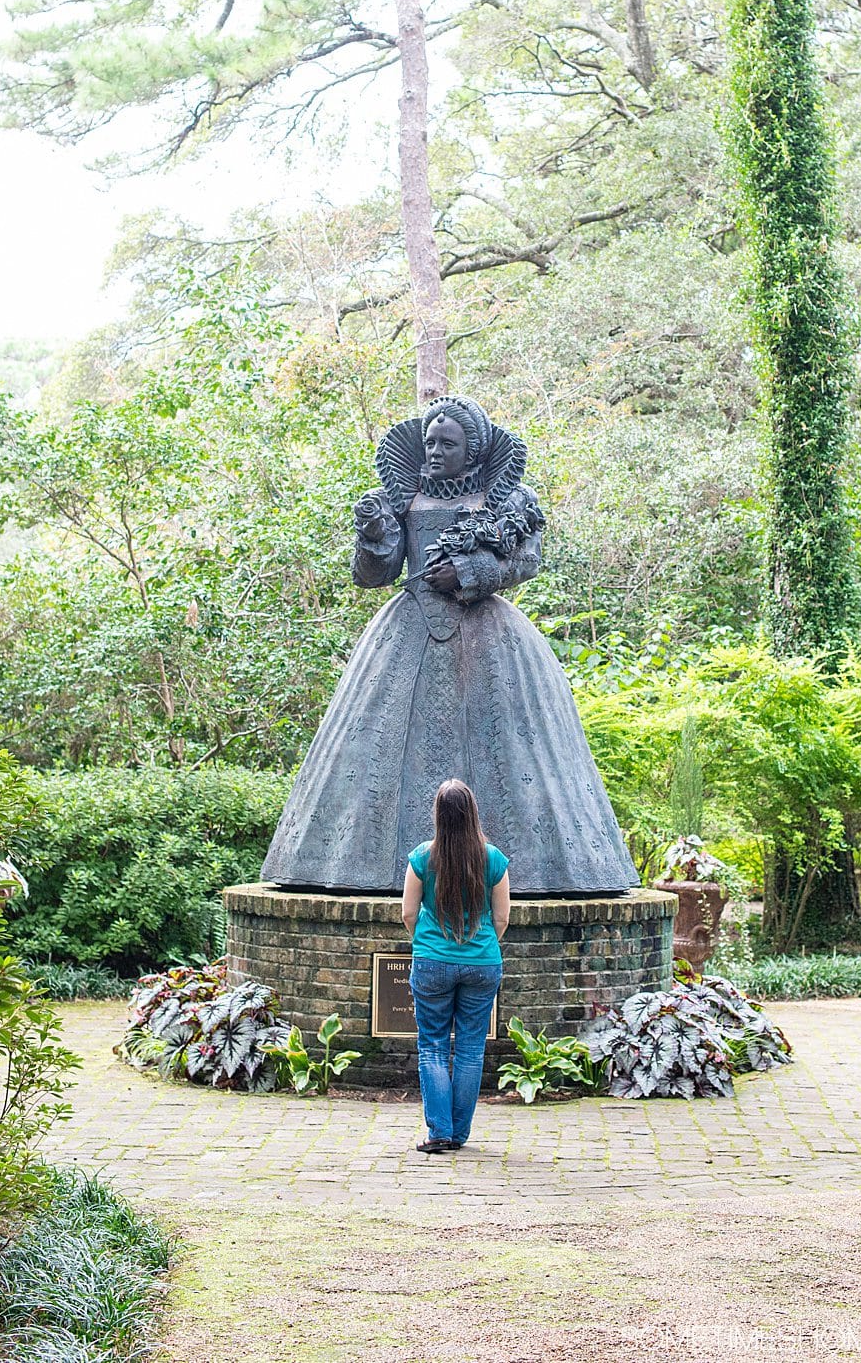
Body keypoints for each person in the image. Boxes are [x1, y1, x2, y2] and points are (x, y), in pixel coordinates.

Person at [261, 394, 639, 897]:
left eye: (448, 443)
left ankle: (541, 872)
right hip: (407, 631)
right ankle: (360, 867)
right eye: (429, 442)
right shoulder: (403, 498)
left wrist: (468, 571)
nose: (435, 451)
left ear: (475, 449)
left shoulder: (505, 504)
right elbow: (374, 574)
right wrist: (374, 535)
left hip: (488, 637)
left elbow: (526, 561)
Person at [402, 778, 510, 1154]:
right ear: (472, 813)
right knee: (469, 1048)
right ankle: (459, 1134)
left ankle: (440, 1132)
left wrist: (426, 940)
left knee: (432, 1045)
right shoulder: (494, 859)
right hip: (482, 961)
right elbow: (501, 918)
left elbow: (408, 912)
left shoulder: (422, 858)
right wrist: (481, 945)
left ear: (438, 814)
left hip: (432, 959)